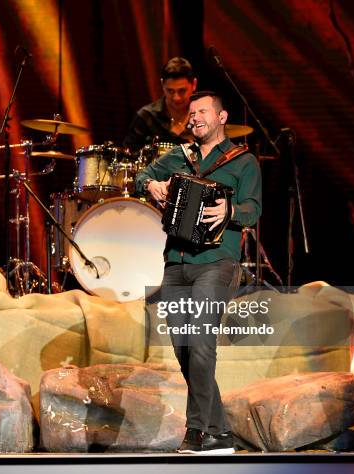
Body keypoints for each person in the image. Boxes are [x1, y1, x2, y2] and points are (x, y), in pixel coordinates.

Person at [135, 91, 262, 454]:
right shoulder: (179, 156)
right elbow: (141, 175)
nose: (194, 118)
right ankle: (220, 432)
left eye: (201, 112)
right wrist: (151, 184)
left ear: (221, 117)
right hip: (176, 262)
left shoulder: (243, 162)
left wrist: (230, 212)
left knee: (202, 344)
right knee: (183, 349)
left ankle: (197, 433)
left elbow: (253, 209)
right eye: (191, 114)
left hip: (217, 263)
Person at [123, 57, 197, 151]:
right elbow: (128, 155)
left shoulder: (203, 116)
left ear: (194, 84)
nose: (176, 98)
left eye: (182, 90)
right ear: (162, 84)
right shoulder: (147, 116)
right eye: (170, 91)